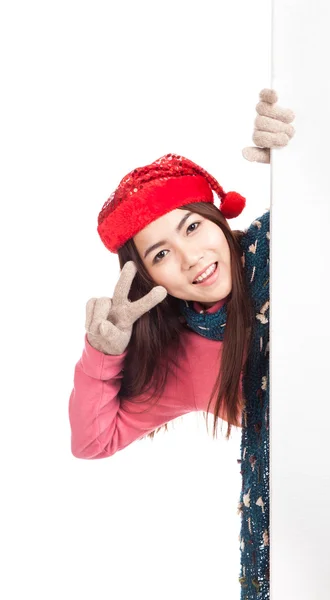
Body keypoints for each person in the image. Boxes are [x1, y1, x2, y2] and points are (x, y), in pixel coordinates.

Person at [68, 88, 295, 599]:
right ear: (147, 277)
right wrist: (105, 352)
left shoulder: (292, 239)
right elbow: (92, 440)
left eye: (193, 226)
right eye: (162, 253)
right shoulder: (184, 352)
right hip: (308, 509)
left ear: (217, 217)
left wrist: (304, 161)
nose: (192, 257)